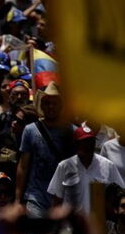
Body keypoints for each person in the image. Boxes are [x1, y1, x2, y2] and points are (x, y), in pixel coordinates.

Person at [15, 83, 74, 218]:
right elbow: (23, 166)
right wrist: (18, 199)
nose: (51, 107)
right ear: (41, 105)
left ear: (61, 106)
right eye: (47, 103)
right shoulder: (30, 130)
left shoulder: (72, 131)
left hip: (64, 198)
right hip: (36, 197)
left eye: (54, 103)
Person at [47, 125, 124, 213]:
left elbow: (120, 193)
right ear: (76, 145)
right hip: (71, 220)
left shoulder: (108, 165)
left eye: (91, 142)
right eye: (84, 142)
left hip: (98, 219)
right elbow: (57, 199)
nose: (88, 146)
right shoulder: (64, 166)